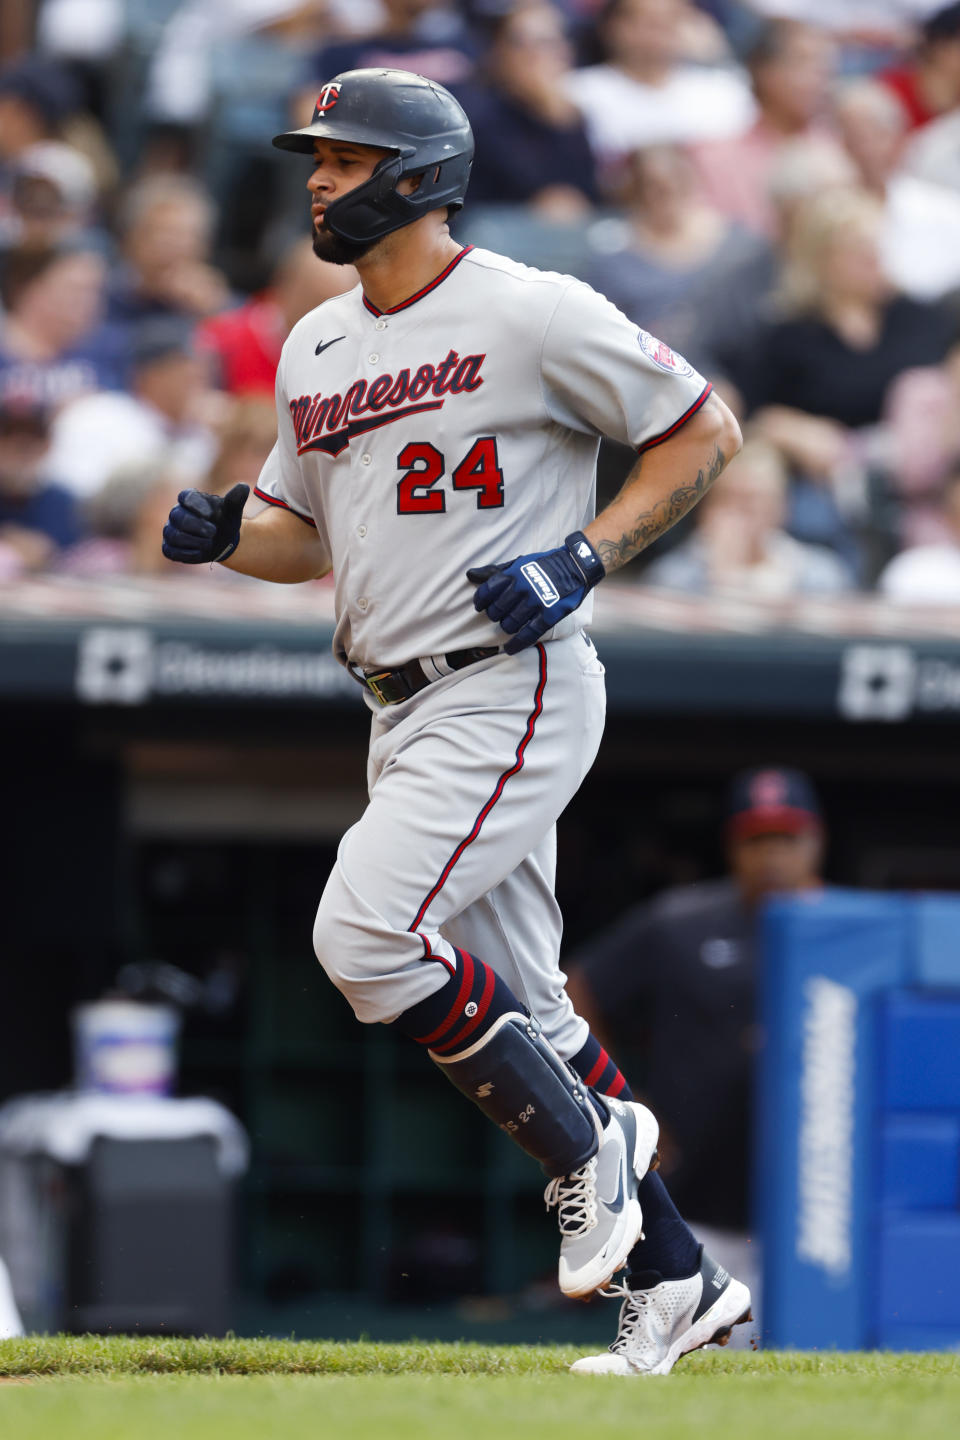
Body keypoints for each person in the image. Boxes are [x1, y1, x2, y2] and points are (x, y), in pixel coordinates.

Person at [161, 67, 750, 1377]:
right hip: (396, 698)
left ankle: (598, 1151)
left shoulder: (529, 309)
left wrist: (585, 558)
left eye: (345, 159)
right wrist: (224, 539)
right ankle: (681, 1281)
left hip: (509, 675)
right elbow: (302, 537)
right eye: (314, 160)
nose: (318, 180)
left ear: (419, 173)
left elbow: (701, 430)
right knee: (528, 1006)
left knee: (366, 936)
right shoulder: (317, 341)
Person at [565, 767, 826, 1233]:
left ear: (815, 842)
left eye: (787, 838)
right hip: (694, 1191)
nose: (772, 854)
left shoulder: (852, 931)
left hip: (816, 1201)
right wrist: (625, 1104)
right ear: (732, 846)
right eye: (757, 839)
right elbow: (574, 989)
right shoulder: (681, 922)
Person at [641, 438, 854, 596]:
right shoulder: (673, 578)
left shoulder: (820, 577)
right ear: (705, 509)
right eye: (729, 498)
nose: (741, 512)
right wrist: (721, 576)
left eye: (754, 500)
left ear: (781, 508)